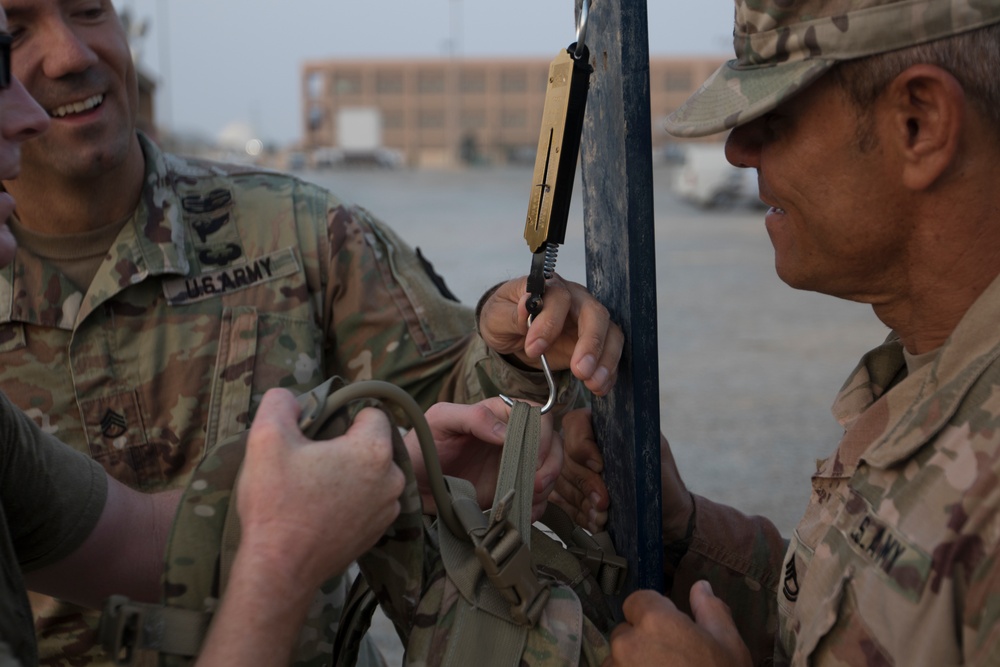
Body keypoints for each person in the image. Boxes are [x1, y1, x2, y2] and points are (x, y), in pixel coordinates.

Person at [0, 0, 623, 662]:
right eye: (12, 34)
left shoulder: (298, 231)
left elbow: (148, 537)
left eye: (89, 8)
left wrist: (513, 356)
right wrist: (286, 554)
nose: (69, 55)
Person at [524, 0, 1000, 665]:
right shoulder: (932, 368)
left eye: (775, 117)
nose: (736, 149)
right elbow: (860, 610)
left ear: (919, 124)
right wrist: (683, 528)